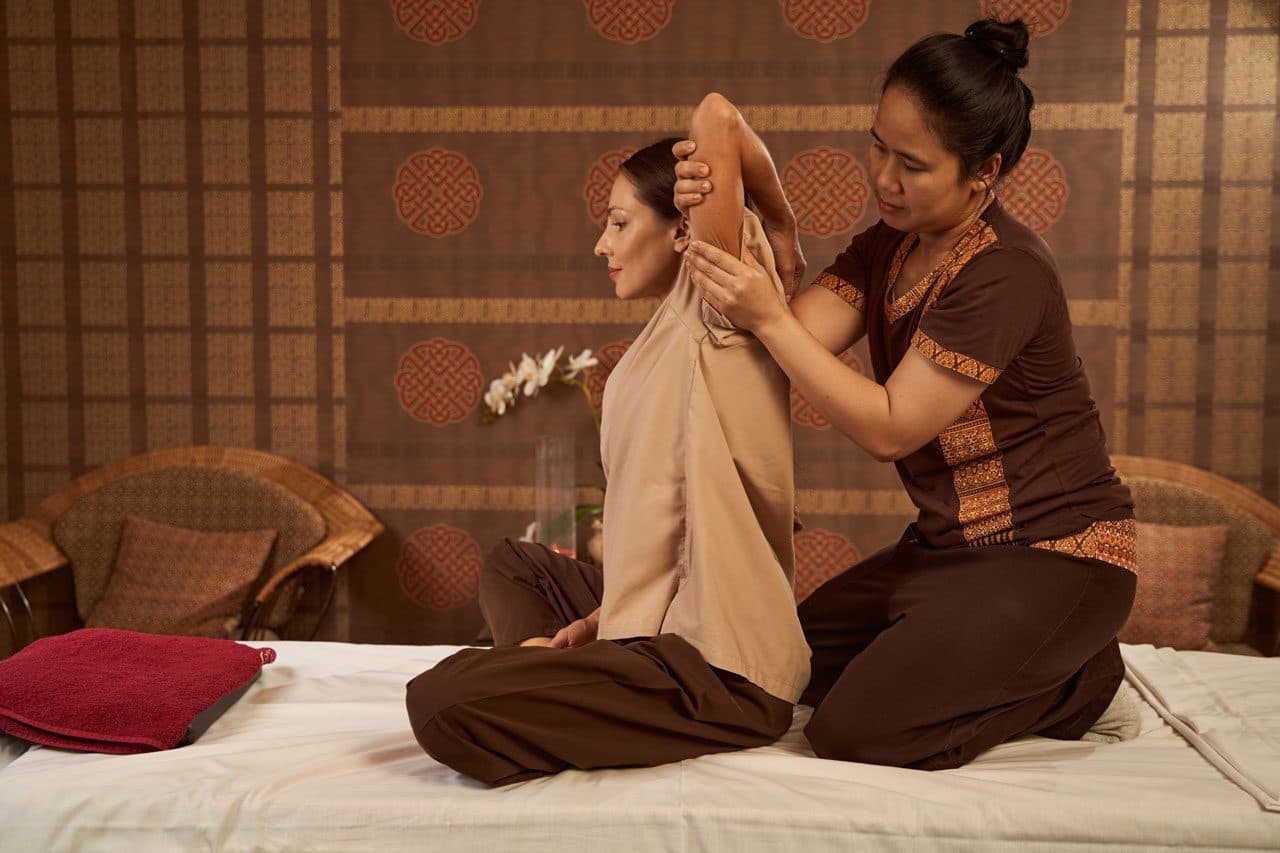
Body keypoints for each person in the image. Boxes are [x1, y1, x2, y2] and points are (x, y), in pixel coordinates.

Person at [675, 18, 1138, 769]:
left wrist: (767, 313)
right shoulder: (888, 246)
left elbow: (890, 426)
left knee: (855, 731)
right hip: (943, 554)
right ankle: (1009, 654)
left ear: (983, 172)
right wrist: (763, 226)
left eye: (913, 164)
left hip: (1057, 559)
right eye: (878, 146)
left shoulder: (1007, 271)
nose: (884, 179)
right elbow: (767, 347)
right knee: (775, 668)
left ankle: (1077, 681)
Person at [405, 92, 810, 785]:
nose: (602, 244)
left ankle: (549, 683)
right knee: (517, 563)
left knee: (439, 699)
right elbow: (670, 528)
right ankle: (561, 670)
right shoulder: (661, 334)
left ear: (684, 230)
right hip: (653, 625)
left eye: (620, 222)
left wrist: (780, 226)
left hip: (718, 668)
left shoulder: (718, 303)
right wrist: (603, 617)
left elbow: (716, 117)